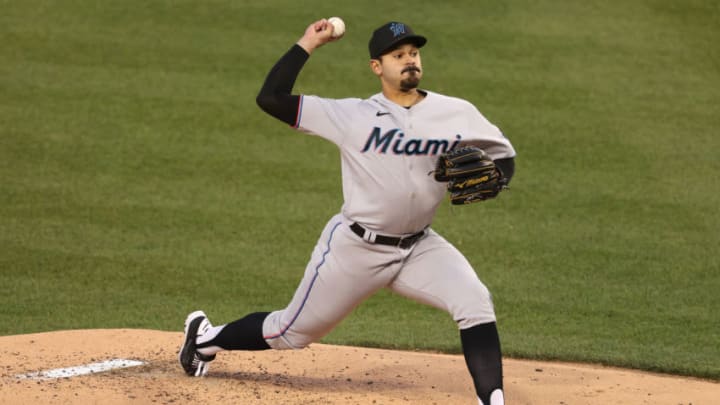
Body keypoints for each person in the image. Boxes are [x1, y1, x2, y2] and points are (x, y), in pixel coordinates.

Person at [178, 19, 516, 405]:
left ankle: (492, 401)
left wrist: (497, 181)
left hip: (420, 247)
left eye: (413, 53)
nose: (409, 60)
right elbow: (270, 98)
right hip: (356, 249)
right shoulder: (349, 115)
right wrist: (308, 43)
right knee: (290, 332)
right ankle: (204, 338)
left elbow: (503, 156)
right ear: (377, 67)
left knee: (475, 302)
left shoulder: (455, 112)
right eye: (398, 55)